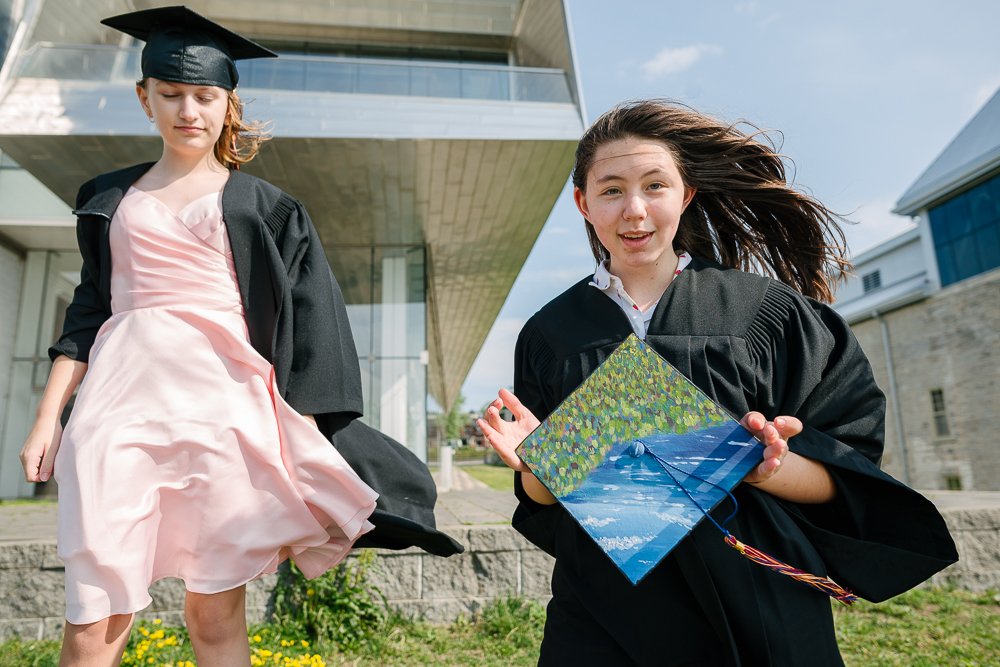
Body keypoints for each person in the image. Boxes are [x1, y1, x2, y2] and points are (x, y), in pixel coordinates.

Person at [479, 99, 958, 666]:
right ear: (584, 203)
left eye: (655, 185)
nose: (634, 210)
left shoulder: (770, 315)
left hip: (755, 604)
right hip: (603, 614)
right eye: (611, 190)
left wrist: (769, 466)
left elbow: (847, 480)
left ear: (685, 196)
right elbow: (543, 505)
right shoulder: (549, 334)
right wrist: (539, 467)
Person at [17, 7, 382, 665]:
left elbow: (313, 326)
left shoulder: (266, 208)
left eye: (205, 95)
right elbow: (87, 313)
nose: (189, 109)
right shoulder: (107, 200)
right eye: (172, 94)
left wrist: (306, 433)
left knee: (213, 614)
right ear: (144, 98)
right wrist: (48, 420)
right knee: (97, 613)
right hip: (116, 411)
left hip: (223, 415)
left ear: (226, 102)